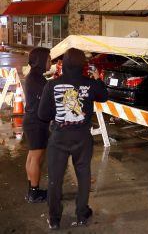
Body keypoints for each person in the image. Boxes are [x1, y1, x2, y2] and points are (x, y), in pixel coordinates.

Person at [38, 48, 108, 229]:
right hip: (83, 138)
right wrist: (97, 78)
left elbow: (43, 114)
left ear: (65, 64)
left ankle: (54, 219)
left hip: (60, 137)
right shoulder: (90, 84)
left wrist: (58, 112)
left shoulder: (52, 85)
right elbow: (104, 96)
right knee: (83, 176)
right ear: (83, 65)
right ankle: (82, 214)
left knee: (55, 179)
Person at [23, 47, 51, 203]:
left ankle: (32, 189)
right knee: (36, 157)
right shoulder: (36, 78)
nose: (50, 62)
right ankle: (34, 192)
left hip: (32, 121)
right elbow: (49, 96)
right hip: (36, 123)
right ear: (40, 61)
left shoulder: (34, 76)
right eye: (48, 60)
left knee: (32, 156)